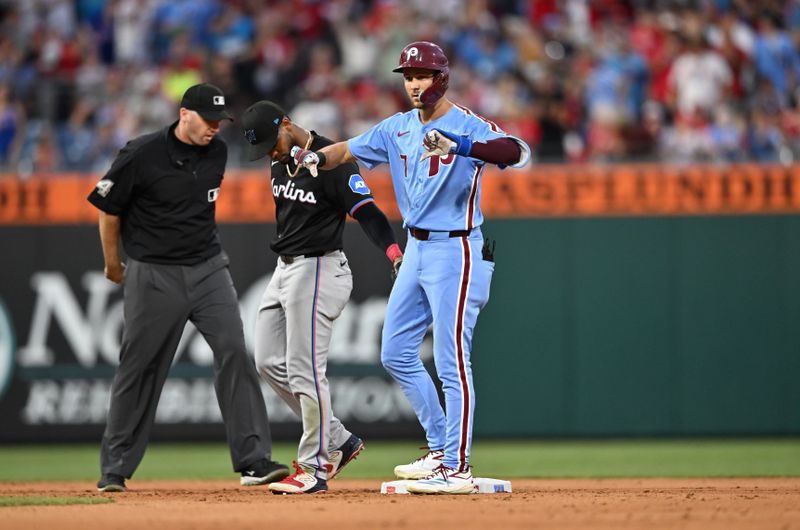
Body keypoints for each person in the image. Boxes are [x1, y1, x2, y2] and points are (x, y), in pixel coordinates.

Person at [290, 41, 531, 494]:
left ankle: (457, 467)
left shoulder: (467, 124)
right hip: (416, 247)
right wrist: (315, 157)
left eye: (422, 74)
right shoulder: (398, 127)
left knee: (451, 357)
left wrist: (461, 145)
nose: (414, 83)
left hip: (456, 247)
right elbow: (348, 149)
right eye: (408, 75)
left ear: (441, 77)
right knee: (395, 351)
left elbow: (517, 152)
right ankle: (440, 448)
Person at [87, 83, 290, 492]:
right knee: (140, 366)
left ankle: (253, 461)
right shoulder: (141, 153)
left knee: (234, 349)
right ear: (184, 114)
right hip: (153, 273)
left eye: (219, 121)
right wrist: (113, 265)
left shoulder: (216, 152)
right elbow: (108, 212)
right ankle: (115, 469)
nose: (215, 128)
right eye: (208, 120)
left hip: (208, 267)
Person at [240, 100, 403, 494]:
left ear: (287, 125)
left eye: (271, 143)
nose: (271, 153)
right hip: (285, 269)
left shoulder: (333, 161)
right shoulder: (278, 162)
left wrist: (394, 253)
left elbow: (367, 212)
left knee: (306, 370)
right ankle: (340, 440)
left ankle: (314, 468)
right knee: (266, 362)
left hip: (319, 268)